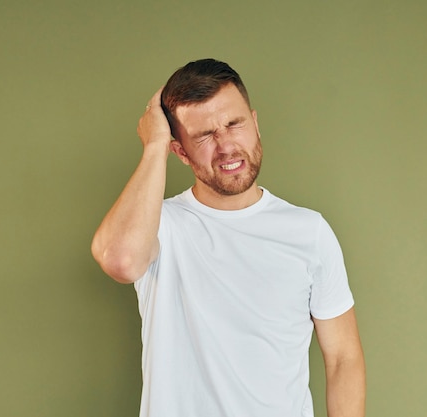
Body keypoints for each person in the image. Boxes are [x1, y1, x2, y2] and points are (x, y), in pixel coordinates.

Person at [91, 58, 366, 417]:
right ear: (180, 152)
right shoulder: (160, 225)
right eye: (204, 136)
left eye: (234, 124)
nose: (226, 146)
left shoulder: (308, 231)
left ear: (255, 122)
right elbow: (120, 260)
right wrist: (154, 144)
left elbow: (344, 358)